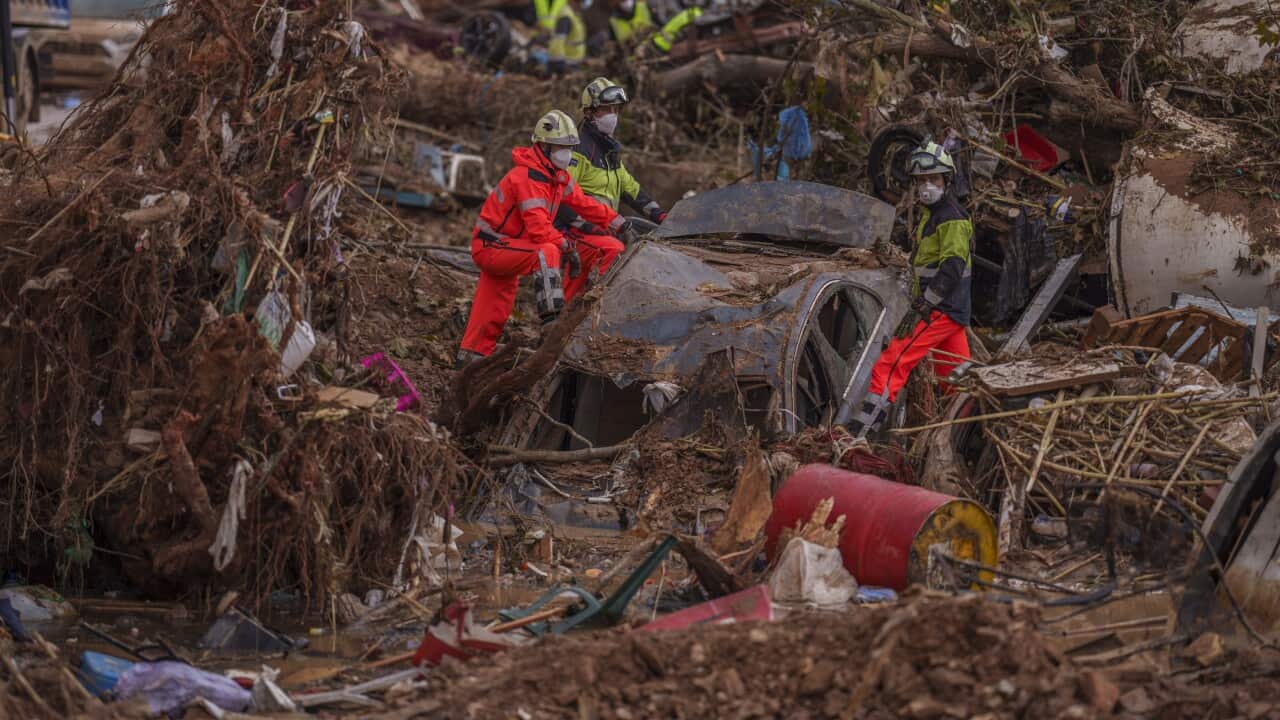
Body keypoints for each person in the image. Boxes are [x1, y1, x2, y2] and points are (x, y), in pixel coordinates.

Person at [457, 110, 635, 368]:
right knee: (547, 251)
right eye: (561, 148)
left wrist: (620, 224)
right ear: (543, 146)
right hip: (493, 246)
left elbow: (585, 204)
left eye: (570, 148)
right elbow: (539, 229)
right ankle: (551, 324)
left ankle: (469, 359)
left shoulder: (556, 177)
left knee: (493, 307)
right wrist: (567, 247)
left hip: (507, 246)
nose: (567, 154)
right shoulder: (527, 179)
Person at [848, 141, 973, 437]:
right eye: (921, 181)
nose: (927, 187)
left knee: (892, 363)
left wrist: (924, 306)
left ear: (948, 181)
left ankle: (858, 436)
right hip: (951, 311)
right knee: (957, 382)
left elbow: (952, 269)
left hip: (940, 309)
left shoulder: (952, 218)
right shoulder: (933, 213)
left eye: (934, 179)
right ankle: (969, 435)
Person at [568, 78, 666, 224]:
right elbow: (563, 195)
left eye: (616, 110)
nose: (613, 115)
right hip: (585, 233)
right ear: (589, 112)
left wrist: (657, 214)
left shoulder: (608, 150)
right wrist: (585, 227)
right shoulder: (578, 149)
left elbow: (629, 187)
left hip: (609, 228)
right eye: (607, 109)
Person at [534, 0, 586, 73]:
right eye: (581, 2)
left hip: (572, 62)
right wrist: (558, 62)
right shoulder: (566, 16)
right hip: (566, 64)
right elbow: (558, 40)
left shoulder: (573, 14)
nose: (582, 4)